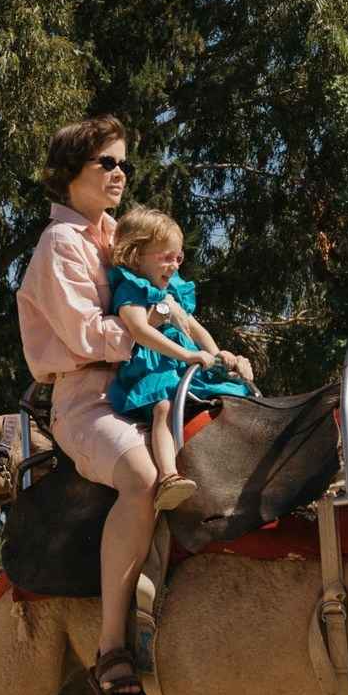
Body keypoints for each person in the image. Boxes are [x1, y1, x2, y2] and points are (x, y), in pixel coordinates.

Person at [16, 117, 252, 695]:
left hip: (155, 381)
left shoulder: (123, 234)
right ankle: (111, 646)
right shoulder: (60, 244)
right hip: (88, 398)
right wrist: (160, 338)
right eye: (107, 162)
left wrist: (216, 353)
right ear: (68, 172)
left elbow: (172, 307)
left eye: (123, 162)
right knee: (145, 479)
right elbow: (86, 335)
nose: (120, 172)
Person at [105, 205, 251, 511]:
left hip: (184, 366)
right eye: (165, 257)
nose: (173, 265)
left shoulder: (173, 290)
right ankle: (169, 476)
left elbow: (195, 328)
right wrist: (187, 354)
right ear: (135, 256)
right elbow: (139, 330)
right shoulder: (131, 288)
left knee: (233, 390)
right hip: (152, 367)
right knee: (164, 407)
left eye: (178, 257)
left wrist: (217, 354)